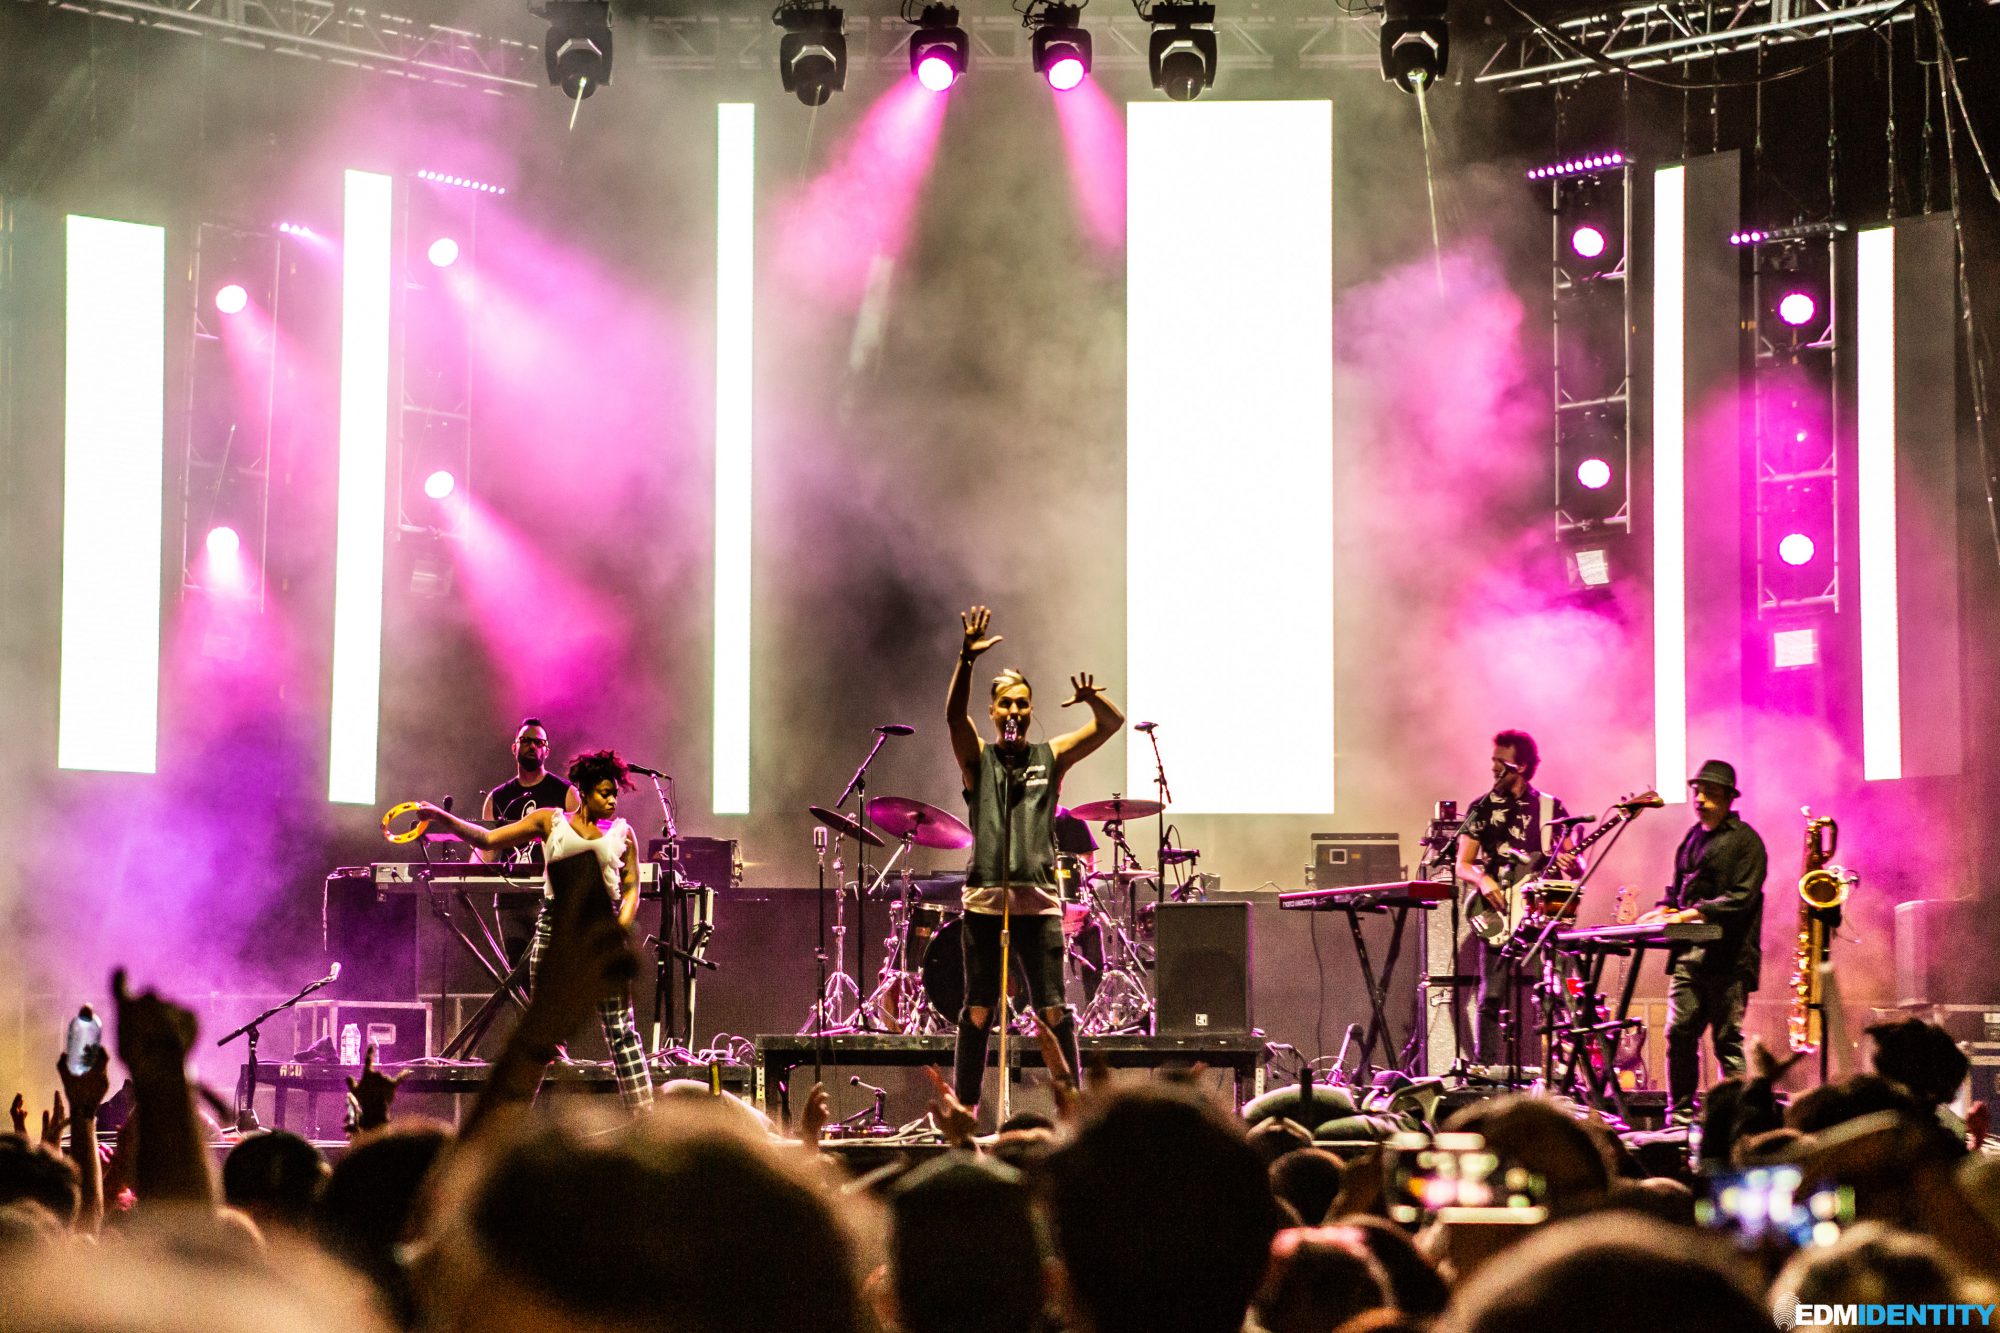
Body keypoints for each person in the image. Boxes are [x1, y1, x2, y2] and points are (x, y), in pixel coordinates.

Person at [947, 605, 1122, 1115]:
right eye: (1006, 705)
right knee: (978, 1010)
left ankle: (1074, 1110)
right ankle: (967, 1112)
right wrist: (967, 659)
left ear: (1030, 709)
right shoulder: (978, 759)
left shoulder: (1050, 756)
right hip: (984, 905)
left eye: (1023, 704)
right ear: (995, 712)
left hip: (1039, 906)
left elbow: (1110, 724)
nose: (1016, 713)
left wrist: (1094, 699)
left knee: (1052, 1009)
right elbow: (953, 717)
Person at [412, 750, 653, 1111]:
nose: (612, 800)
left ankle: (645, 1117)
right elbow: (488, 839)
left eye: (615, 793)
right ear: (584, 791)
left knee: (621, 1031)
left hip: (601, 929)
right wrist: (442, 818)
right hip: (554, 928)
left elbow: (632, 887)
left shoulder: (622, 832)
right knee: (542, 1034)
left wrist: (619, 926)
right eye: (605, 792)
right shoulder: (550, 821)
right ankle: (514, 1120)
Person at [1637, 759, 1767, 1126]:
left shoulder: (1746, 842)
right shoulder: (1692, 839)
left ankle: (1740, 1121)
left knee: (1726, 1040)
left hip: (1729, 957)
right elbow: (1676, 890)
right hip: (1689, 956)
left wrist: (1687, 915)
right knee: (1679, 1034)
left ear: (1728, 797)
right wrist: (1663, 909)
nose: (1701, 799)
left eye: (1710, 793)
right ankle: (1678, 1115)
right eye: (1698, 792)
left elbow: (1741, 898)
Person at [1454, 730, 1576, 1067]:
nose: (1493, 767)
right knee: (1490, 997)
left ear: (1521, 765)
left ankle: (1556, 1073)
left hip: (1540, 915)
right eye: (1492, 759)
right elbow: (1462, 864)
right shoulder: (1481, 807)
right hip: (1500, 911)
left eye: (1500, 761)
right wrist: (1483, 880)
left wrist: (1573, 862)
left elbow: (1576, 868)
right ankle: (1485, 1070)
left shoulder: (1552, 807)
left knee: (1552, 993)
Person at [478, 718, 580, 866]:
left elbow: (580, 846)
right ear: (514, 748)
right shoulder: (496, 798)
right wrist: (465, 880)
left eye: (539, 743)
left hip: (550, 887)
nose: (532, 746)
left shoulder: (568, 793)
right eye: (526, 740)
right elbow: (486, 852)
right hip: (507, 887)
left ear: (547, 751)